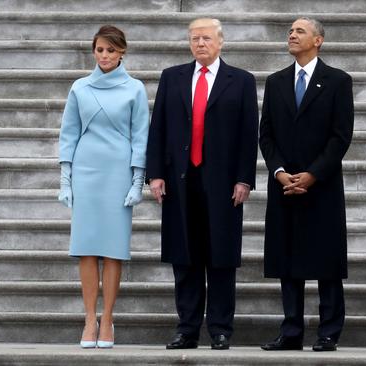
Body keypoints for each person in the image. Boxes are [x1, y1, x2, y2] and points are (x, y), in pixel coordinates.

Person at [145, 18, 258, 350]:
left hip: (223, 182)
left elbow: (248, 134)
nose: (200, 44)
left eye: (207, 38)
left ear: (221, 42)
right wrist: (156, 174)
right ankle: (187, 328)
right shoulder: (173, 77)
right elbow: (159, 128)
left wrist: (244, 179)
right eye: (195, 39)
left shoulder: (241, 80)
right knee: (185, 257)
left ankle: (221, 328)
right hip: (181, 180)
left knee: (221, 257)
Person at [259, 17, 354, 352]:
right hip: (285, 185)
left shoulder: (338, 81)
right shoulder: (276, 81)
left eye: (300, 31)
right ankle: (291, 330)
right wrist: (280, 171)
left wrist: (313, 174)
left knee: (326, 261)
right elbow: (266, 134)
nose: (292, 35)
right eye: (290, 31)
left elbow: (341, 136)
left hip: (322, 185)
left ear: (319, 40)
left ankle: (329, 331)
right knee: (288, 260)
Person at [58, 25, 149, 349]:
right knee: (86, 248)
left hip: (118, 172)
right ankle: (88, 320)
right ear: (93, 52)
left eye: (111, 50)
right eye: (100, 50)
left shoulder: (135, 89)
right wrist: (65, 178)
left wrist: (138, 180)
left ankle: (107, 319)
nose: (105, 56)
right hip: (86, 171)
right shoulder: (80, 88)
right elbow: (69, 133)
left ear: (122, 52)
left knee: (113, 251)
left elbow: (141, 135)